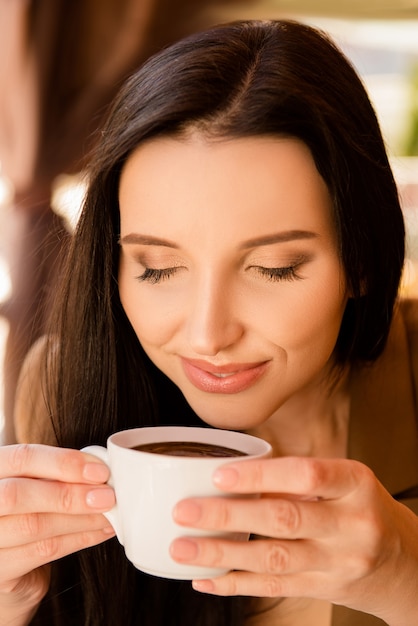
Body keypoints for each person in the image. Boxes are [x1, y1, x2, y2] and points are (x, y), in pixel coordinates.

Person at [2, 18, 417, 626]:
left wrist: (407, 575)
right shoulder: (61, 388)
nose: (206, 335)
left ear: (361, 260)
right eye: (157, 268)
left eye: (273, 269)